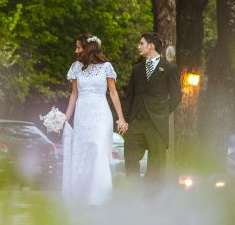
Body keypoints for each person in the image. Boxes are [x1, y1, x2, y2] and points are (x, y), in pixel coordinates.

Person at [63, 34, 128, 206]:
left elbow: (113, 93)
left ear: (88, 48)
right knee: (83, 152)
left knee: (98, 150)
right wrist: (65, 118)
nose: (76, 50)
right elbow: (74, 94)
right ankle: (82, 195)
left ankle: (100, 197)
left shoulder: (106, 67)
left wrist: (121, 118)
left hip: (101, 114)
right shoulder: (76, 67)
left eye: (79, 47)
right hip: (82, 114)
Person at [122, 32, 182, 183]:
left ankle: (153, 196)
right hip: (136, 121)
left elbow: (176, 96)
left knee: (157, 161)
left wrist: (163, 112)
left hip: (156, 123)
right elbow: (129, 95)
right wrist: (125, 119)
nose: (138, 46)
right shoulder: (136, 69)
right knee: (130, 157)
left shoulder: (169, 68)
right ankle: (133, 191)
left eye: (141, 43)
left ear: (151, 46)